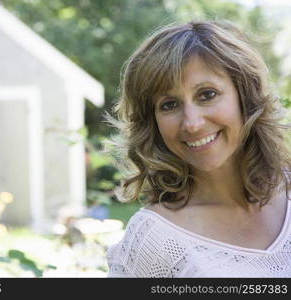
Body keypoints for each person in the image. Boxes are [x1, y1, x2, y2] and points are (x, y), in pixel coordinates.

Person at [106, 20, 291, 277]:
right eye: (169, 104)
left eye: (207, 95)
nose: (192, 124)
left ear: (245, 96)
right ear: (153, 122)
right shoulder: (155, 241)